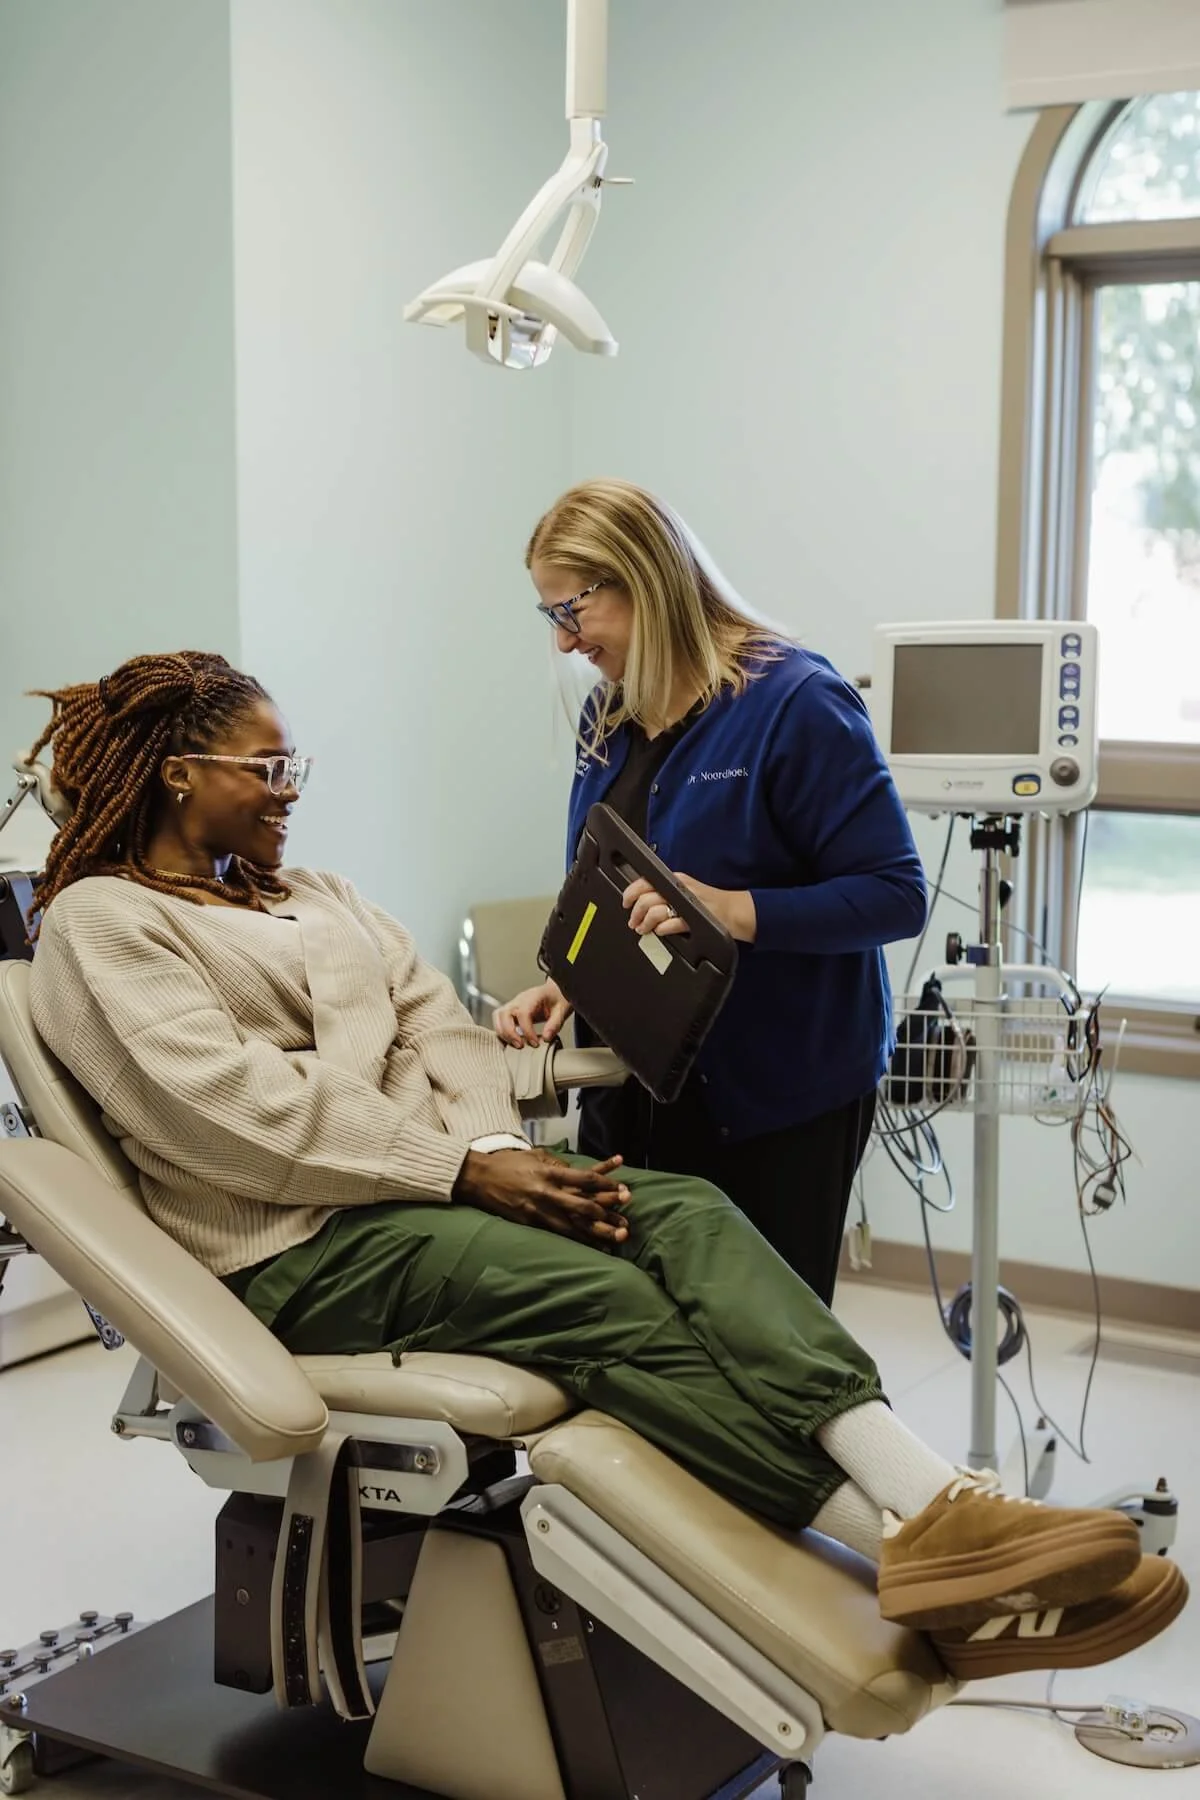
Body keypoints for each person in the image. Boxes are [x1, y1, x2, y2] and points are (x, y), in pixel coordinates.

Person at [25, 651, 1184, 1683]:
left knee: (680, 1211)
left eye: (295, 768)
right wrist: (460, 1170)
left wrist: (482, 1146)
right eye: (266, 769)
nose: (291, 793)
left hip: (415, 1190)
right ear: (176, 773)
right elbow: (230, 1115)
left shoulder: (321, 898)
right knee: (607, 1295)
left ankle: (938, 1512)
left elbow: (444, 1030)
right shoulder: (105, 924)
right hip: (294, 1250)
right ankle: (911, 1547)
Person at [495, 480, 924, 1305]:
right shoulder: (606, 720)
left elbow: (896, 895)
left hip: (778, 1096)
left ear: (643, 579)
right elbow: (602, 895)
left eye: (571, 611)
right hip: (637, 1089)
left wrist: (729, 910)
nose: (563, 641)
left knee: (765, 1349)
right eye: (550, 616)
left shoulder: (795, 704)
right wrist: (566, 980)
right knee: (645, 1331)